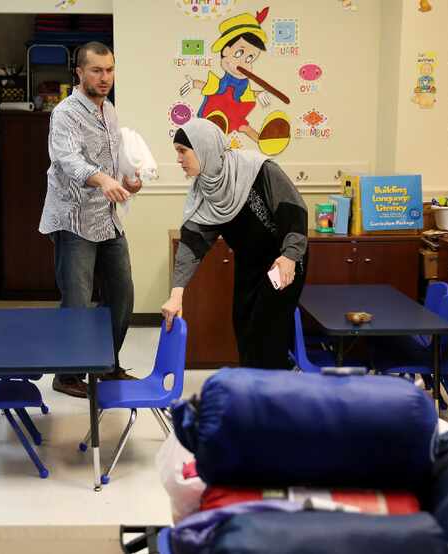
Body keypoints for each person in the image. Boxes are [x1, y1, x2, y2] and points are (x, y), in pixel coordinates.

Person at [161, 119, 307, 369]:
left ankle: (270, 395)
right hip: (249, 264)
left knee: (266, 328)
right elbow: (192, 246)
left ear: (203, 147)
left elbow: (293, 209)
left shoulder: (258, 169)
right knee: (243, 324)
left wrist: (291, 255)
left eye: (182, 151)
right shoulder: (205, 191)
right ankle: (253, 388)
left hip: (282, 260)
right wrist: (176, 295)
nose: (178, 159)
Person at [39, 41, 141, 398]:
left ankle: (106, 366)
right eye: (97, 70)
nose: (105, 77)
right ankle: (67, 375)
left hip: (107, 217)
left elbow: (114, 159)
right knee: (78, 301)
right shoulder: (65, 113)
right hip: (74, 219)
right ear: (79, 72)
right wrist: (103, 179)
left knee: (122, 294)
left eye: (110, 70)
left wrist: (127, 179)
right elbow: (67, 159)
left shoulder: (109, 110)